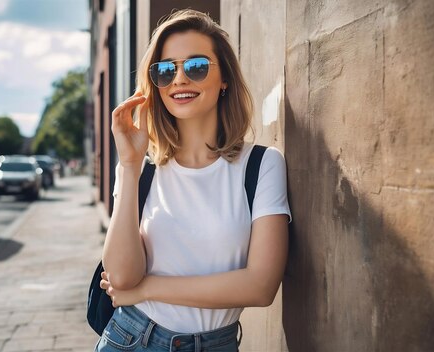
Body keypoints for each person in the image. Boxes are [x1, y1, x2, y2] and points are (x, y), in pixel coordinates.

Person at [95, 9, 291, 352]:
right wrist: (128, 165)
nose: (180, 79)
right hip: (130, 339)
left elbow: (260, 286)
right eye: (166, 70)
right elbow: (122, 278)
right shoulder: (141, 169)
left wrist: (146, 289)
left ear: (225, 78)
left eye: (197, 67)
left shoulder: (261, 165)